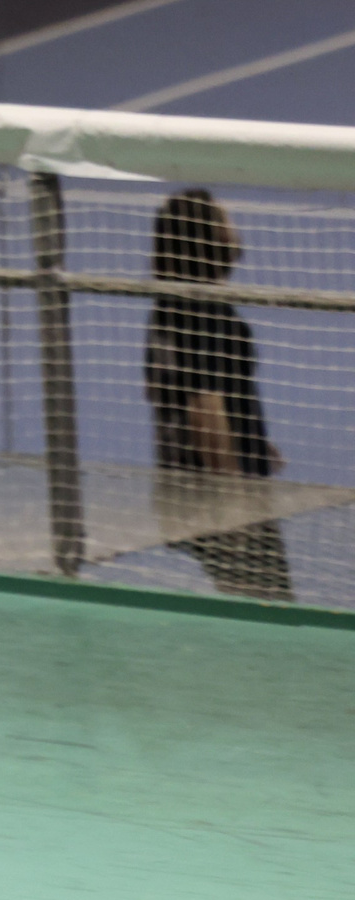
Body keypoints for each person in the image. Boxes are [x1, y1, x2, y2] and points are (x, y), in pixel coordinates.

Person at [142, 188, 292, 601]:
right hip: (218, 493)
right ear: (206, 236)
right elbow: (202, 404)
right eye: (226, 220)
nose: (236, 228)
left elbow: (168, 390)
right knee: (267, 609)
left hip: (189, 483)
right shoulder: (203, 312)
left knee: (247, 604)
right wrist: (232, 503)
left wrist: (254, 441)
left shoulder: (171, 304)